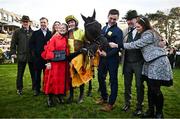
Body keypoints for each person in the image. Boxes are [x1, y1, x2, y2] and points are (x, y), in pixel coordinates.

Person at [109, 16, 173, 118]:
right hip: (149, 63)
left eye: (139, 26)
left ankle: (159, 113)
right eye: (137, 26)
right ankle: (151, 111)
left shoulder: (148, 33)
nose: (137, 28)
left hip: (157, 62)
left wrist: (117, 45)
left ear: (144, 25)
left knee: (155, 89)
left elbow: (137, 44)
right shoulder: (148, 32)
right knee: (150, 88)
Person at [96, 9, 123, 112]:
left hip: (112, 59)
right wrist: (99, 49)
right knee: (100, 77)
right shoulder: (103, 28)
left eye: (114, 19)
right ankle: (104, 97)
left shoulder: (118, 31)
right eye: (110, 18)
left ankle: (111, 103)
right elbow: (99, 41)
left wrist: (107, 54)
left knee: (113, 81)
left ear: (117, 19)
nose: (112, 20)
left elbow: (118, 47)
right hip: (102, 59)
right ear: (108, 16)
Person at [121, 10, 144, 116]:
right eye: (128, 20)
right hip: (127, 63)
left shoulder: (143, 30)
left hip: (139, 63)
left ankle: (139, 106)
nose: (129, 21)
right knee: (127, 85)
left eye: (131, 19)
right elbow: (121, 45)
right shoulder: (125, 31)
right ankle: (127, 103)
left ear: (137, 19)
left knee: (139, 85)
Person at [65, 15, 93, 103]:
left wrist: (86, 49)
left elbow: (87, 43)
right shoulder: (67, 33)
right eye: (69, 23)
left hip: (79, 57)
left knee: (80, 76)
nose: (71, 24)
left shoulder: (81, 32)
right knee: (70, 76)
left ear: (75, 23)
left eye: (72, 22)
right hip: (70, 57)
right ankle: (71, 95)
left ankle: (81, 96)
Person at [41, 23, 70, 107]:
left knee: (61, 81)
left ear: (66, 29)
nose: (62, 29)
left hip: (63, 64)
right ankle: (50, 98)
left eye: (64, 28)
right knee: (52, 81)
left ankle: (59, 96)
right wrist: (49, 61)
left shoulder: (66, 39)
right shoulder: (54, 38)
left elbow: (67, 51)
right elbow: (49, 50)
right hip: (54, 64)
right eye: (60, 28)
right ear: (57, 29)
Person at [10, 15, 35, 95]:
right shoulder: (17, 32)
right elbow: (13, 43)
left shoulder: (33, 32)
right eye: (24, 21)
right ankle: (19, 88)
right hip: (21, 55)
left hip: (31, 56)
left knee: (33, 73)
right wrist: (13, 53)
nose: (25, 23)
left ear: (29, 22)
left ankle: (35, 88)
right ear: (21, 22)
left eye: (26, 21)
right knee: (20, 74)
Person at [30, 17, 52, 96]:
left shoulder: (51, 33)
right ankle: (37, 89)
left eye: (44, 22)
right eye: (41, 22)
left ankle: (45, 89)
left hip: (47, 58)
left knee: (47, 75)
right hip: (38, 58)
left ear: (47, 23)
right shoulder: (35, 33)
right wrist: (34, 55)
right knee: (37, 75)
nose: (43, 24)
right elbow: (31, 44)